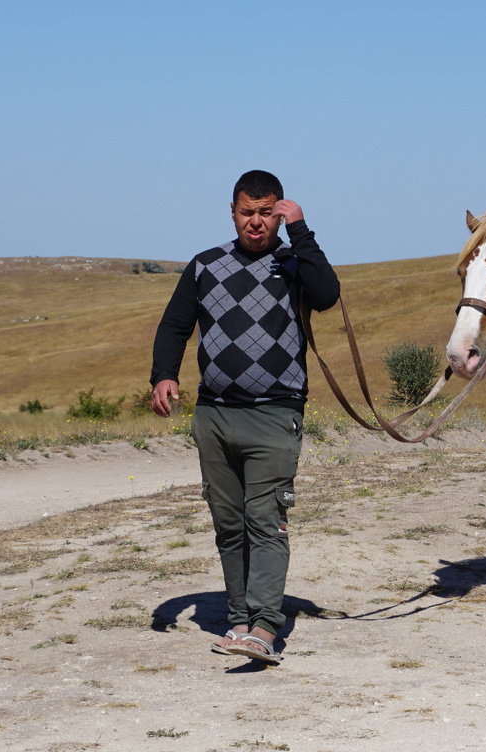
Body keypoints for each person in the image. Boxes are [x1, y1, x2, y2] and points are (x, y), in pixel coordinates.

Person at [150, 170, 340, 664]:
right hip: (214, 415)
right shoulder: (206, 265)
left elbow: (327, 295)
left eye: (266, 212)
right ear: (232, 213)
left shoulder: (295, 261)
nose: (255, 222)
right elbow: (175, 325)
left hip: (275, 415)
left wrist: (301, 230)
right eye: (246, 212)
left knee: (266, 521)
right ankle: (238, 621)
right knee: (228, 523)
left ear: (279, 211)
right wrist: (163, 376)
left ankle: (265, 627)